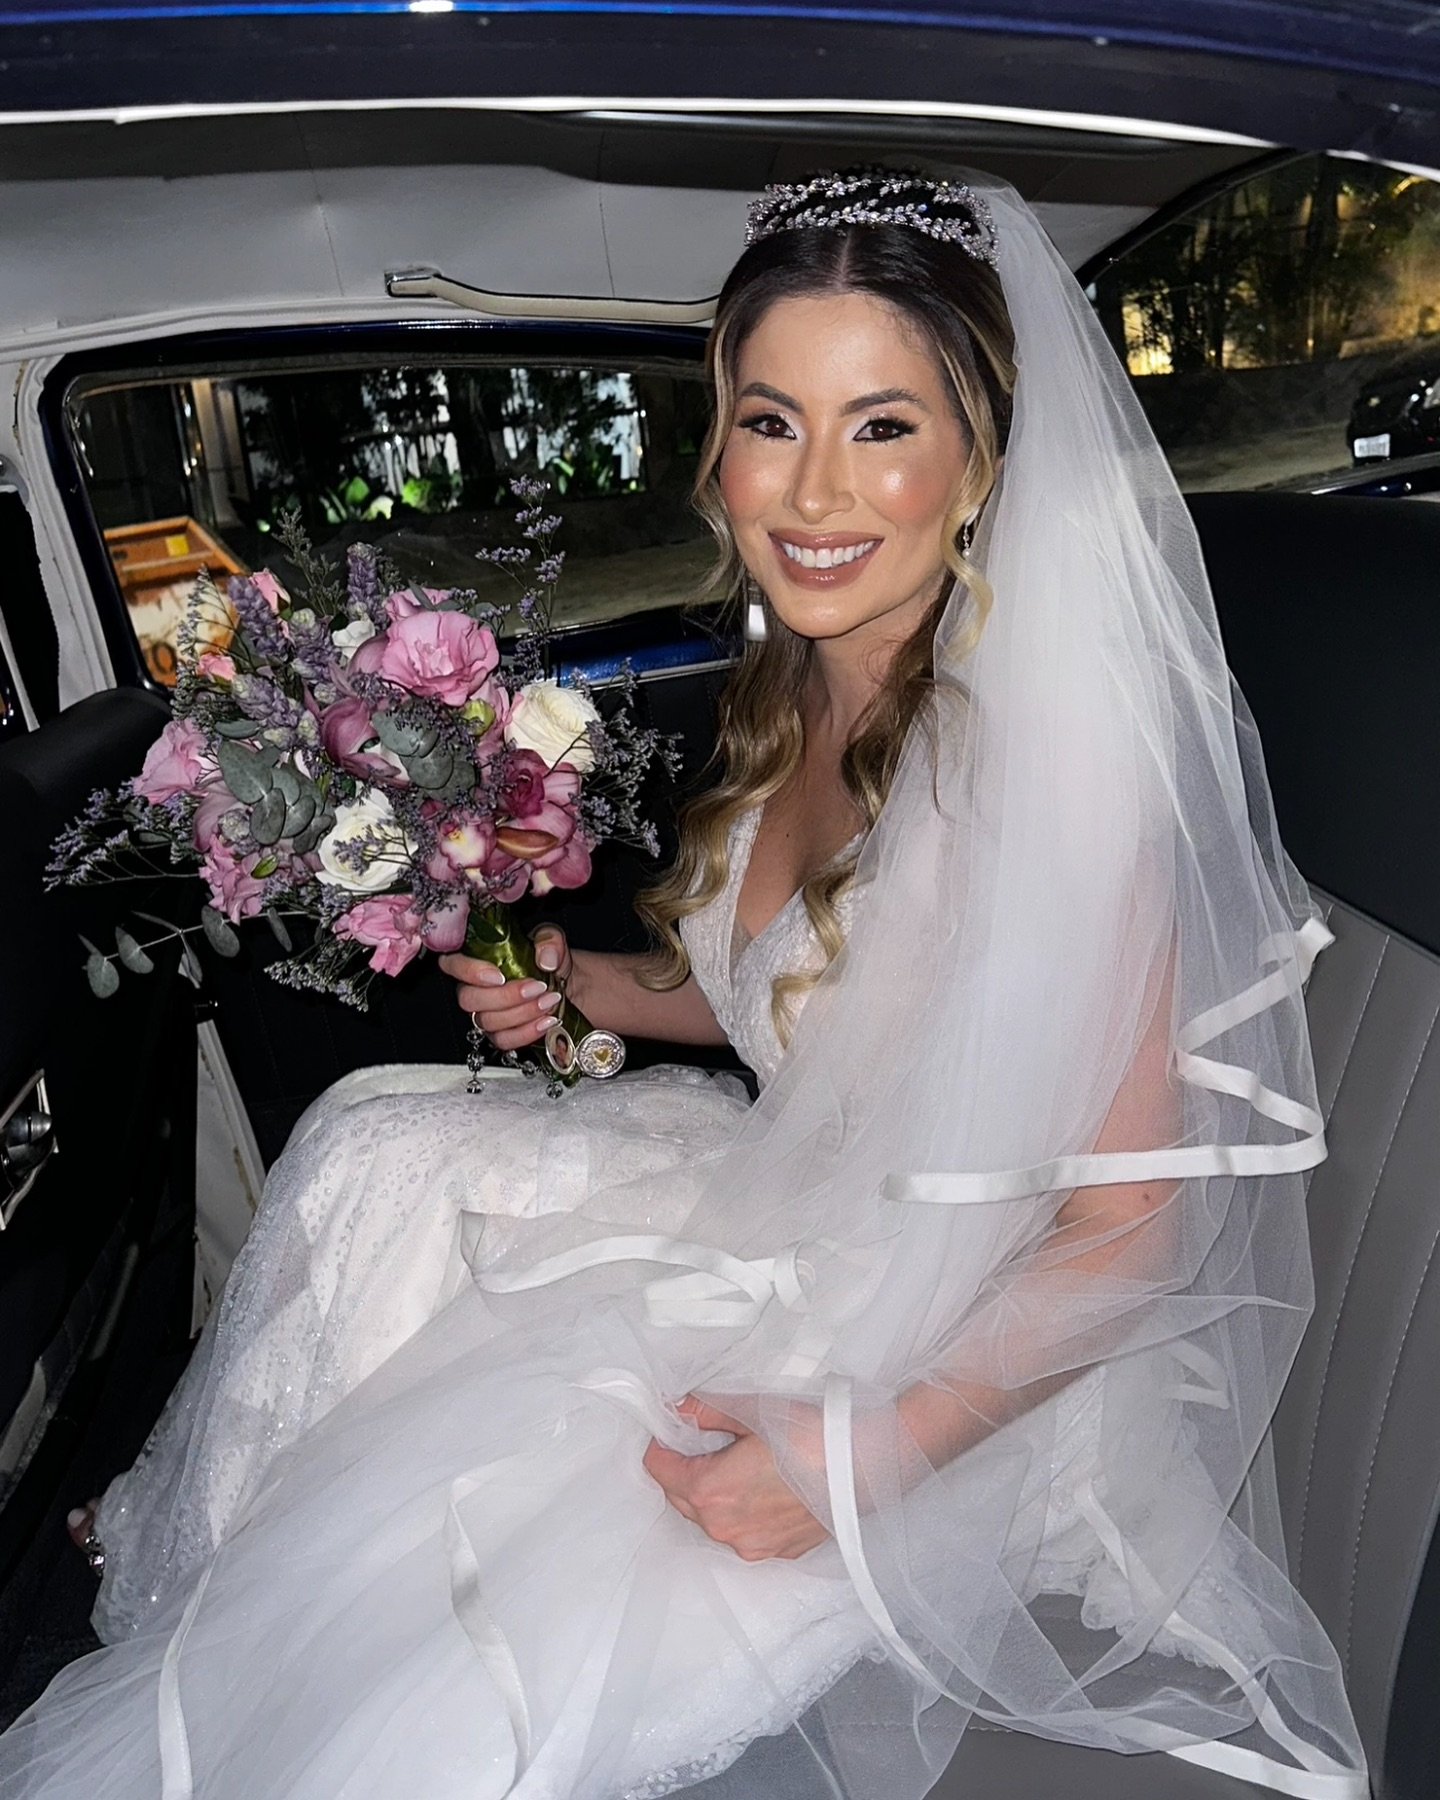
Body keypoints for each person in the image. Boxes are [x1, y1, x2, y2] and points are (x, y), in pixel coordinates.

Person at [4, 168, 1366, 1800]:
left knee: (458, 1626)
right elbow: (800, 1001)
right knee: (379, 1147)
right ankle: (210, 1560)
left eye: (882, 426)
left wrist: (857, 1461)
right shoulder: (797, 679)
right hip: (793, 1193)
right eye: (770, 421)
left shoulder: (1051, 772)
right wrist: (586, 979)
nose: (813, 487)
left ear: (979, 461)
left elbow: (1132, 1229)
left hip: (958, 1347)